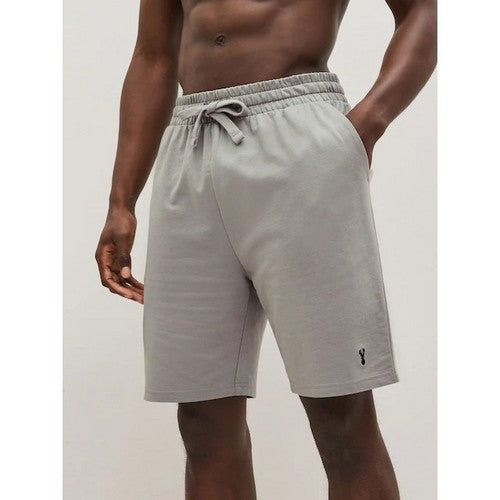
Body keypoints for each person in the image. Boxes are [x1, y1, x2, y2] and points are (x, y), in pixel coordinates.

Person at [95, 1, 436, 498]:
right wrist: (121, 200)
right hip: (190, 142)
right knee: (201, 417)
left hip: (300, 137)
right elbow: (153, 56)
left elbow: (423, 11)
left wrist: (367, 123)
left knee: (340, 413)